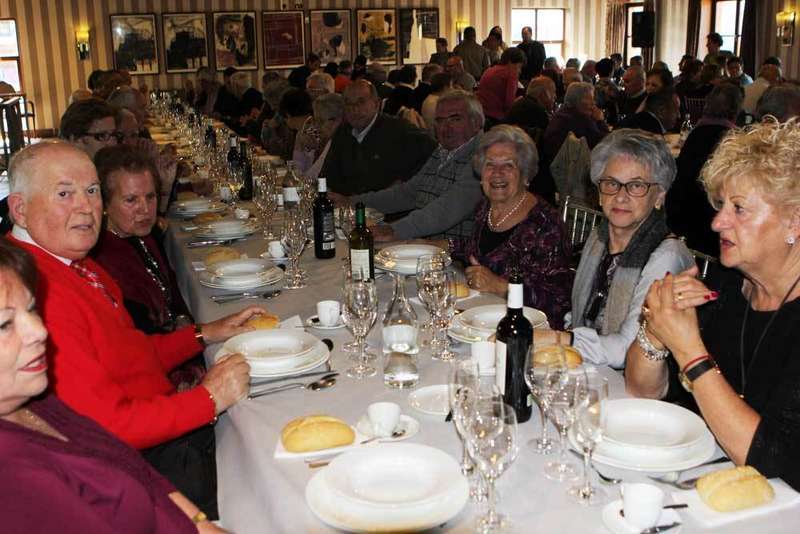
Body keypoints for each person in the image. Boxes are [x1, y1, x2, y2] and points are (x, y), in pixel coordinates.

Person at [5, 140, 265, 518]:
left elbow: (132, 353)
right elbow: (108, 427)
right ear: (20, 209)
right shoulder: (32, 292)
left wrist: (203, 333)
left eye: (92, 190)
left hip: (164, 423)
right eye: (64, 193)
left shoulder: (71, 259)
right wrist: (209, 398)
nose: (85, 206)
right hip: (148, 460)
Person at [625, 119, 800, 490]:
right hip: (697, 487)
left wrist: (691, 354)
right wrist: (655, 331)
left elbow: (774, 462)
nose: (718, 222)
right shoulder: (725, 285)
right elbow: (643, 392)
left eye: (739, 209)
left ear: (794, 221)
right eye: (721, 205)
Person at [0, 240, 222, 533]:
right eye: (4, 325)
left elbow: (137, 471)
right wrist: (209, 398)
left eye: (31, 309)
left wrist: (199, 524)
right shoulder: (16, 479)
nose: (40, 331)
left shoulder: (34, 401)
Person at [536, 129, 693, 368]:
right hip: (588, 368)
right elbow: (582, 316)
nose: (620, 196)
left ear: (659, 196)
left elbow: (628, 348)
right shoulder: (600, 237)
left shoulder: (666, 256)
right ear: (599, 192)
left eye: (636, 186)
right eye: (611, 183)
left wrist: (560, 339)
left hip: (636, 389)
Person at [442, 125, 573, 327]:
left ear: (525, 174)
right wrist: (439, 246)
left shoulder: (547, 225)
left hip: (526, 329)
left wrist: (501, 286)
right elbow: (477, 252)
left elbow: (557, 301)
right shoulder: (485, 207)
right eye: (490, 165)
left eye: (508, 165)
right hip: (483, 317)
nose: (497, 173)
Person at [331, 90, 484, 242]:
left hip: (455, 254)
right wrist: (351, 202)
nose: (446, 127)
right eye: (440, 120)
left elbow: (449, 208)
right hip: (423, 245)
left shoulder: (483, 157)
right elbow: (407, 193)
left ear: (476, 123)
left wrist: (394, 230)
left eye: (455, 119)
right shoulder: (442, 151)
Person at [322, 80, 437, 195]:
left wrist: (405, 182)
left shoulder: (399, 130)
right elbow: (326, 176)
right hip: (348, 206)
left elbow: (435, 153)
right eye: (348, 103)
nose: (354, 109)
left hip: (387, 208)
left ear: (376, 104)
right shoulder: (343, 132)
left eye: (361, 102)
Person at [667, 83, 741, 257]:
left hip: (682, 220)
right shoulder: (732, 141)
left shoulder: (695, 135)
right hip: (709, 230)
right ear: (735, 110)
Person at [541, 82, 609, 164]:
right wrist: (600, 120)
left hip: (552, 166)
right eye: (591, 98)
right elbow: (607, 143)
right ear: (579, 100)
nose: (593, 103)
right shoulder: (581, 119)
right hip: (570, 171)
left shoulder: (561, 113)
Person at [292, 93, 344, 180]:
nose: (316, 126)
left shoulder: (337, 143)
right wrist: (299, 146)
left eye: (321, 121)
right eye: (316, 121)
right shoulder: (321, 141)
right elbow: (301, 174)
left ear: (338, 120)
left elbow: (308, 179)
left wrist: (299, 148)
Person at [475, 47, 526, 128]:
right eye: (519, 67)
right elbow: (509, 103)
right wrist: (520, 100)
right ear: (510, 62)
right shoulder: (511, 74)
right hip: (497, 119)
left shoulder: (489, 70)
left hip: (480, 114)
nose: (520, 71)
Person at [594, 58, 621, 125]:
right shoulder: (612, 86)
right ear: (611, 71)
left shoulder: (595, 85)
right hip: (610, 117)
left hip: (596, 116)